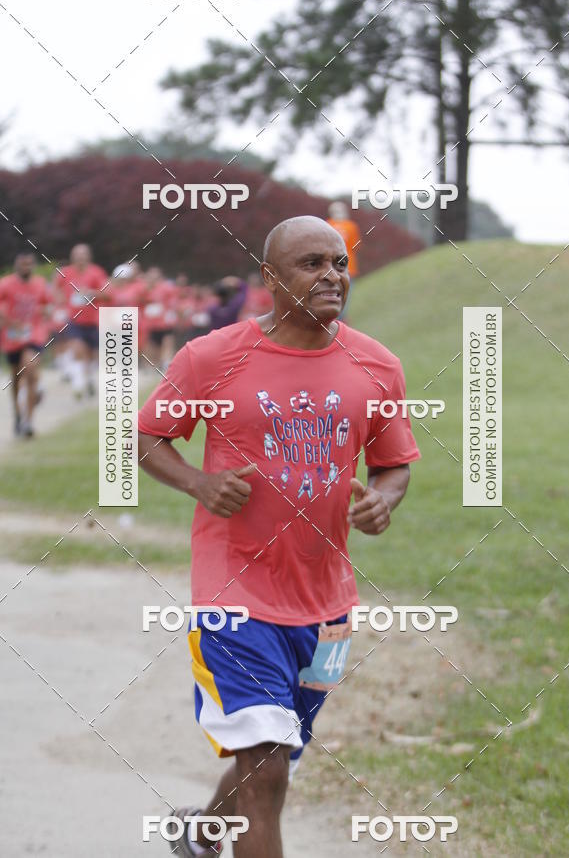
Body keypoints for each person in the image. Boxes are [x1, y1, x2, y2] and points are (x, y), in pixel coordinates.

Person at [137, 216, 421, 858]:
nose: (331, 276)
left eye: (338, 263)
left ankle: (202, 833)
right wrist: (199, 484)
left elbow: (393, 461)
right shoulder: (212, 356)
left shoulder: (376, 364)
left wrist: (384, 499)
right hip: (234, 594)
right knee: (264, 766)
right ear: (269, 279)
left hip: (327, 606)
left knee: (276, 754)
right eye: (311, 264)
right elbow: (146, 437)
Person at [0, 252, 52, 436]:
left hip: (34, 333)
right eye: (22, 264)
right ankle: (18, 414)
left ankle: (28, 422)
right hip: (12, 336)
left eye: (29, 264)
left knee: (29, 366)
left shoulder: (39, 284)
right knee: (16, 378)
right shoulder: (5, 284)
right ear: (16, 265)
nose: (26, 268)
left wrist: (45, 311)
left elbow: (47, 304)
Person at [56, 243, 108, 398]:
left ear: (88, 256)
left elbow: (107, 293)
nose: (80, 258)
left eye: (83, 254)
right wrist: (60, 303)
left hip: (93, 321)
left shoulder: (97, 272)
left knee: (91, 355)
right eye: (77, 255)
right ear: (72, 257)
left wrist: (91, 293)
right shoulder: (65, 273)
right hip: (74, 320)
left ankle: (89, 379)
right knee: (77, 348)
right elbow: (55, 289)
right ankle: (78, 384)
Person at [326, 201, 361, 319]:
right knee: (345, 296)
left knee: (332, 295)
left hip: (331, 267)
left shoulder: (327, 225)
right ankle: (340, 321)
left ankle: (334, 320)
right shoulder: (351, 226)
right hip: (348, 266)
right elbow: (356, 246)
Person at [142, 266, 178, 371]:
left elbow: (173, 301)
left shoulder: (166, 287)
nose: (153, 277)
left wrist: (170, 314)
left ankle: (167, 364)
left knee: (167, 342)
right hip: (151, 324)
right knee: (153, 347)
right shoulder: (144, 289)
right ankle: (154, 366)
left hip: (164, 323)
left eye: (155, 274)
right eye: (151, 274)